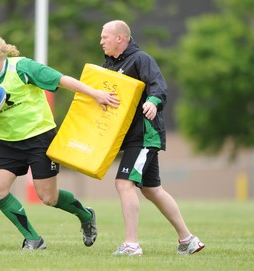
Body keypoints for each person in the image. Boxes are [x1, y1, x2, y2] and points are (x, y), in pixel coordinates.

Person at [0, 31, 120, 250]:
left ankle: (85, 214)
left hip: (39, 138)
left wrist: (95, 94)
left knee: (48, 197)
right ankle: (33, 238)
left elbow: (62, 80)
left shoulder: (22, 67)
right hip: (6, 142)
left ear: (3, 56)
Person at [99, 20, 205, 256]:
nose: (101, 41)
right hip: (132, 138)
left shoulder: (140, 59)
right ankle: (188, 240)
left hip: (146, 136)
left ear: (120, 38)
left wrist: (153, 102)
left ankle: (131, 244)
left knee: (124, 183)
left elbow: (159, 87)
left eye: (105, 37)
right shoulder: (109, 65)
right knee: (152, 190)